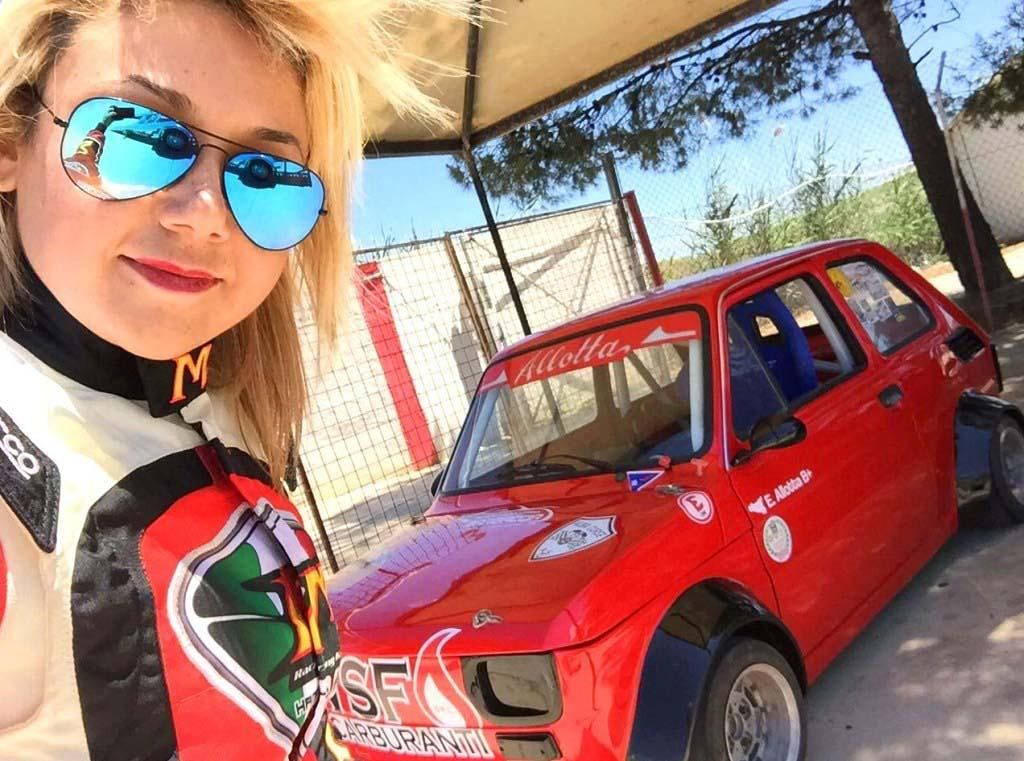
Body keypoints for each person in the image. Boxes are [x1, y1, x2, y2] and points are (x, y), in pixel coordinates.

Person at [0, 0, 457, 758]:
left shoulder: (225, 410)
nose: (208, 214)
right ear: (11, 140)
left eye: (267, 176)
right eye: (135, 135)